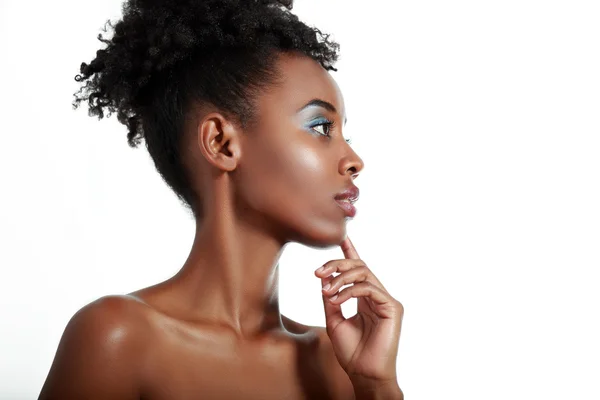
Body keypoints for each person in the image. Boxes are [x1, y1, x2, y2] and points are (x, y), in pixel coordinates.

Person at [38, 0, 404, 398]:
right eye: (320, 126)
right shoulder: (119, 339)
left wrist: (376, 385)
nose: (354, 160)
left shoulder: (336, 361)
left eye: (344, 134)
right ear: (221, 143)